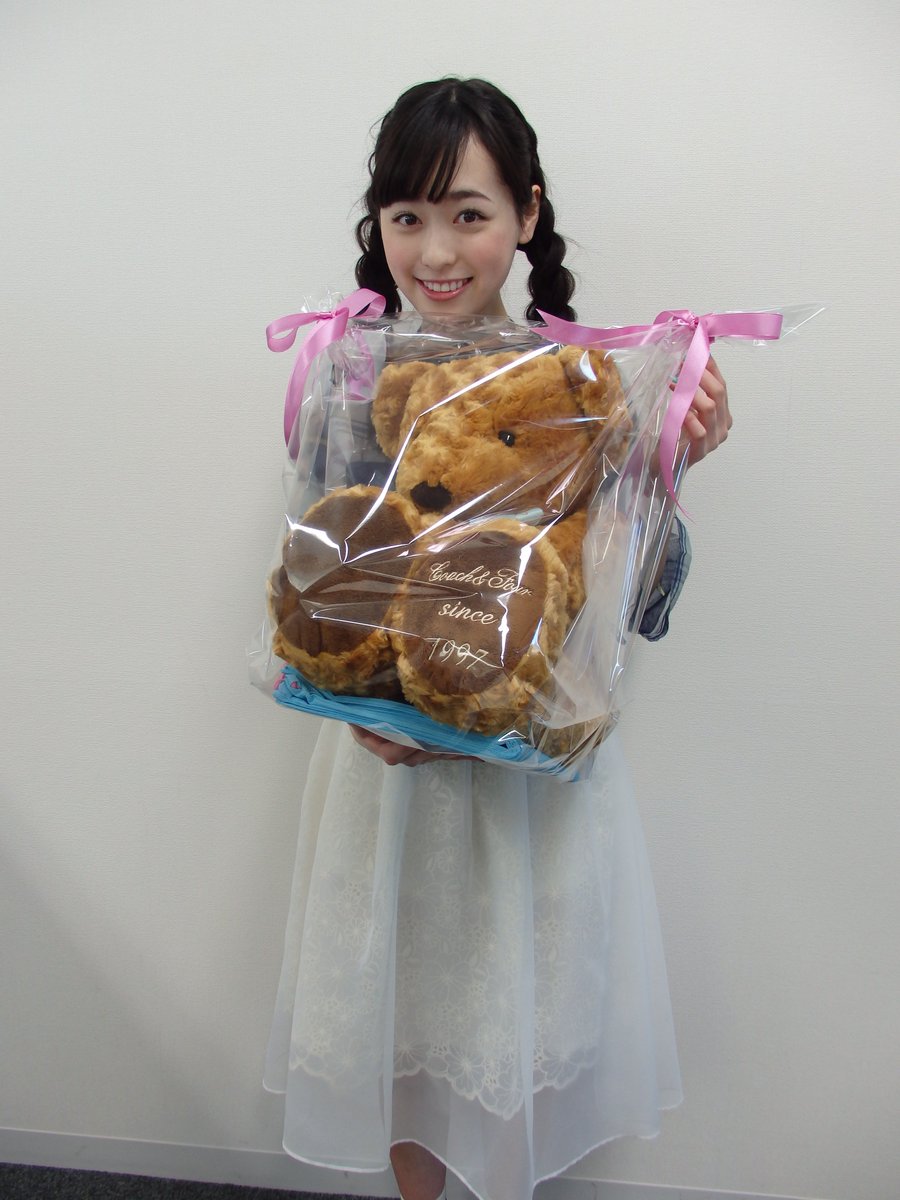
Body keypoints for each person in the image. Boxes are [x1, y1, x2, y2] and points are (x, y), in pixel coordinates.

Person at [263, 78, 731, 1200]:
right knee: (402, 1044)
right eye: (407, 216)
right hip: (390, 783)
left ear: (527, 212)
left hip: (524, 786)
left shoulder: (587, 385)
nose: (436, 250)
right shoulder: (349, 374)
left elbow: (631, 609)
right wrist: (350, 697)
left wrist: (668, 464)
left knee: (511, 1035)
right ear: (378, 224)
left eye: (468, 213)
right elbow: (323, 577)